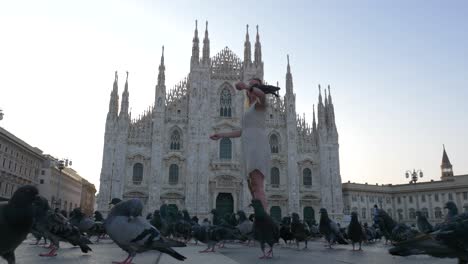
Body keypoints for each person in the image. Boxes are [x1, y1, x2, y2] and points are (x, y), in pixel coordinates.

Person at [209, 78, 270, 209]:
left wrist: (247, 86)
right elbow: (243, 131)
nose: (250, 88)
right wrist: (221, 135)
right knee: (253, 187)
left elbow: (262, 95)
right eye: (250, 85)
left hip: (257, 146)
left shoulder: (261, 104)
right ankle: (259, 217)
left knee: (258, 186)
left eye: (254, 86)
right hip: (249, 147)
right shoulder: (249, 109)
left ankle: (265, 222)